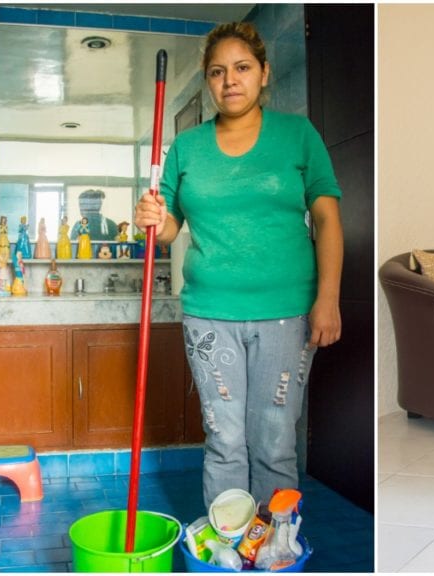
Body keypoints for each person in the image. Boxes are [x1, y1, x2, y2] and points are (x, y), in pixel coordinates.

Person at [134, 22, 343, 511]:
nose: (230, 80)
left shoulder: (298, 136)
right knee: (224, 440)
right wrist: (150, 216)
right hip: (210, 314)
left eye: (242, 68)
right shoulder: (186, 148)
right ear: (208, 82)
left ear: (264, 73)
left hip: (286, 313)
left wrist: (327, 299)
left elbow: (329, 220)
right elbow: (165, 229)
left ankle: (274, 549)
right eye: (218, 71)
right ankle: (228, 553)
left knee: (273, 440)